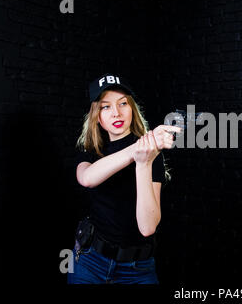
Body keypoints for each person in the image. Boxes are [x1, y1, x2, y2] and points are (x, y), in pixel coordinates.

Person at [67, 74, 181, 284]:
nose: (116, 113)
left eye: (123, 104)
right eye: (105, 107)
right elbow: (87, 178)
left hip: (136, 270)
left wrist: (144, 162)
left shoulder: (151, 153)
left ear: (132, 109)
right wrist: (138, 148)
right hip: (89, 262)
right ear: (97, 117)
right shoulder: (90, 151)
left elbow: (147, 227)